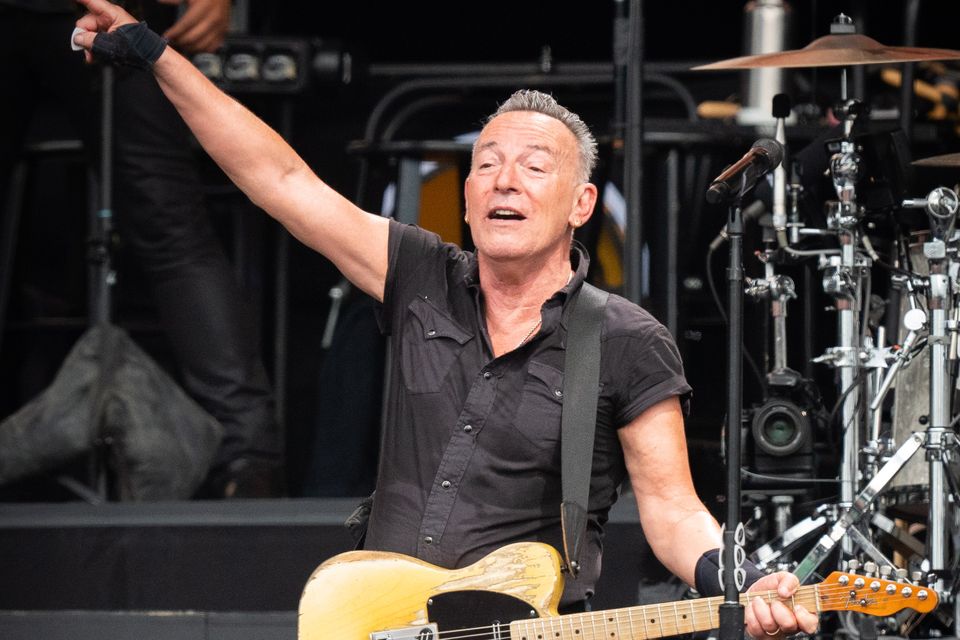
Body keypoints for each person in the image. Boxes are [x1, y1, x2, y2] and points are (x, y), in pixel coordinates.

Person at [72, 0, 819, 634]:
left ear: (582, 206)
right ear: (465, 198)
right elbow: (280, 178)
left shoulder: (624, 340)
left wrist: (746, 578)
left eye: (534, 166)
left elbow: (673, 509)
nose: (504, 178)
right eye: (486, 163)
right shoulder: (419, 274)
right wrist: (154, 53)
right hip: (381, 618)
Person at [0, 0, 281, 498]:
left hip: (105, 10)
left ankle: (247, 458)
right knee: (173, 230)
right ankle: (248, 451)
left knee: (169, 222)